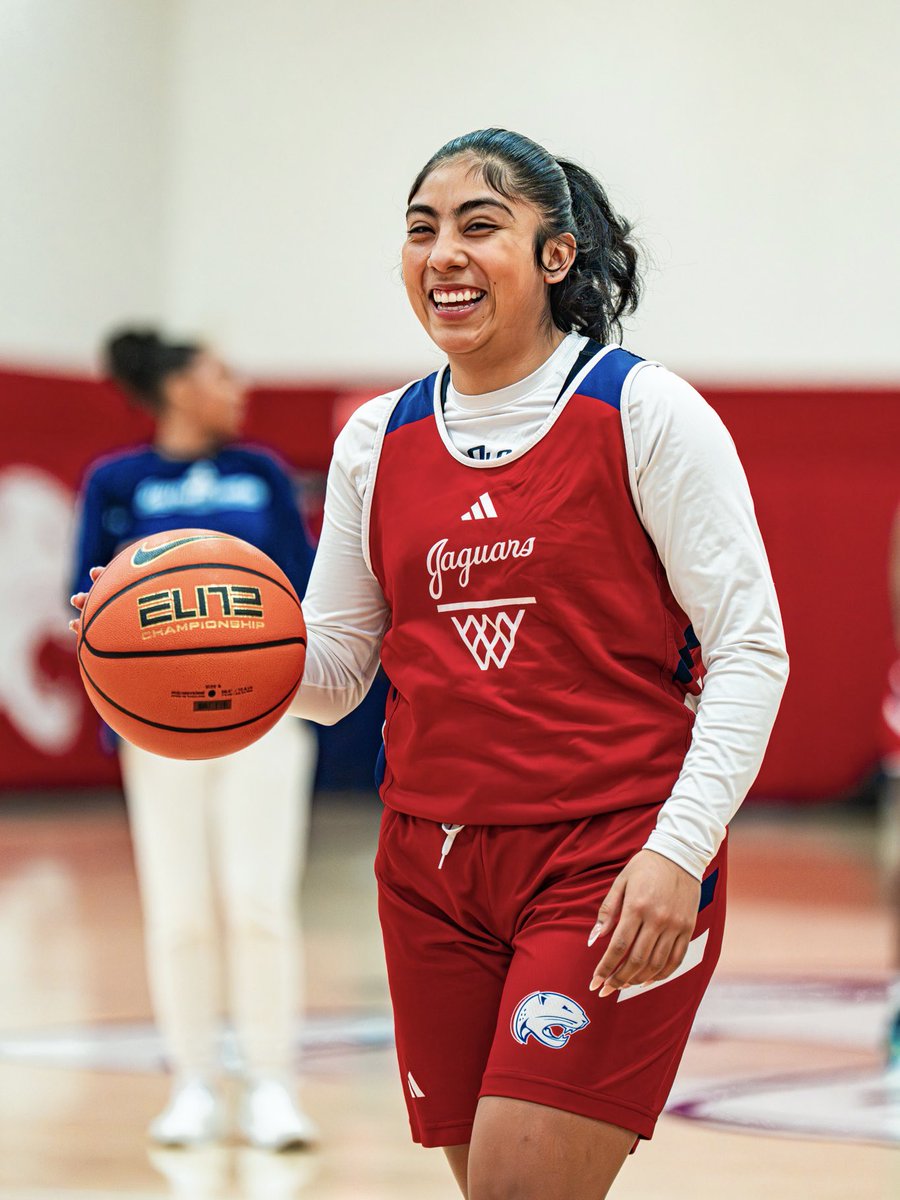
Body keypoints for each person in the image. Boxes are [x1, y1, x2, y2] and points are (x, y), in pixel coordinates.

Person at [74, 129, 789, 1197]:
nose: (443, 252)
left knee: (518, 1186)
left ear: (558, 255)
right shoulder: (377, 437)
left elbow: (751, 650)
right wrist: (180, 649)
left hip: (605, 860)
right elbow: (335, 669)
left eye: (479, 225)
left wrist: (679, 853)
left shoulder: (644, 412)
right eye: (421, 230)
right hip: (431, 871)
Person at [70, 330, 318, 1150]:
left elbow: (302, 594)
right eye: (220, 372)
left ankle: (274, 1083)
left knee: (258, 905)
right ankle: (193, 1084)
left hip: (265, 722)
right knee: (177, 912)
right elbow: (84, 606)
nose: (238, 385)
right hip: (156, 730)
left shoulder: (260, 475)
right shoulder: (117, 481)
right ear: (177, 387)